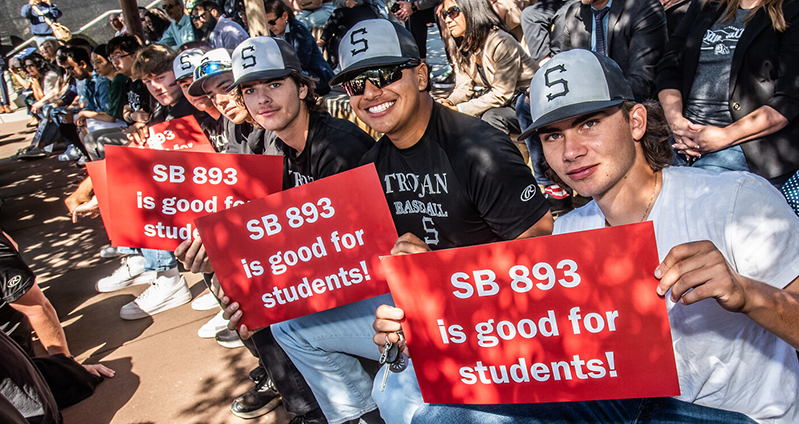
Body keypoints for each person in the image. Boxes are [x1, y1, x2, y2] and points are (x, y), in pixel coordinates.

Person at [405, 48, 799, 424]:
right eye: (552, 135)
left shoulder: (734, 200)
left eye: (588, 123)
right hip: (631, 408)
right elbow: (534, 353)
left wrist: (746, 293)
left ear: (636, 122)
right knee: (436, 414)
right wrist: (429, 321)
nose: (571, 151)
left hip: (739, 416)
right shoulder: (568, 234)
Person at [224, 19, 553, 424]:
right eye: (355, 84)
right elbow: (337, 260)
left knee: (399, 397)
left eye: (383, 74)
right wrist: (251, 286)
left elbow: (544, 265)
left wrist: (438, 272)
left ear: (421, 73)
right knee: (292, 327)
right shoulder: (371, 166)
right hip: (415, 310)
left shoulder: (479, 149)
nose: (370, 93)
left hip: (490, 318)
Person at [656, 0, 799, 182]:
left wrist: (725, 136)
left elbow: (789, 101)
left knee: (698, 187)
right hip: (683, 133)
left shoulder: (790, 10)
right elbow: (669, 67)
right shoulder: (706, 5)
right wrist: (677, 123)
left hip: (743, 141)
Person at [437, 0, 536, 135]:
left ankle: (502, 155)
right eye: (444, 15)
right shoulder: (462, 46)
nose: (447, 20)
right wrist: (447, 102)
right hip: (507, 104)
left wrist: (459, 109)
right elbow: (464, 87)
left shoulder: (500, 42)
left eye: (452, 12)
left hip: (529, 104)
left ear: (471, 10)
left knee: (489, 117)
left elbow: (501, 93)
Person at [262, 0, 336, 95]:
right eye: (267, 23)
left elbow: (300, 63)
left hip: (317, 78)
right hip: (296, 76)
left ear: (284, 16)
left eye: (272, 22)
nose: (270, 27)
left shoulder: (299, 30)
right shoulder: (273, 33)